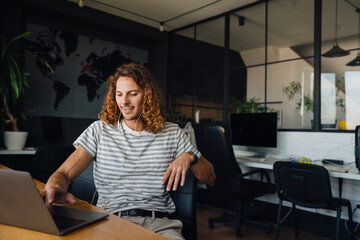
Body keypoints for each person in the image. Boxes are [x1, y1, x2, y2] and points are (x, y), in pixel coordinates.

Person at [41, 62, 216, 240]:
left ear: (148, 95)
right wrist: (54, 187)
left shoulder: (172, 132)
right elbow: (63, 173)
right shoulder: (100, 130)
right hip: (109, 222)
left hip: (159, 225)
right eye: (119, 94)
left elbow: (210, 178)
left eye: (132, 94)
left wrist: (190, 156)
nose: (124, 101)